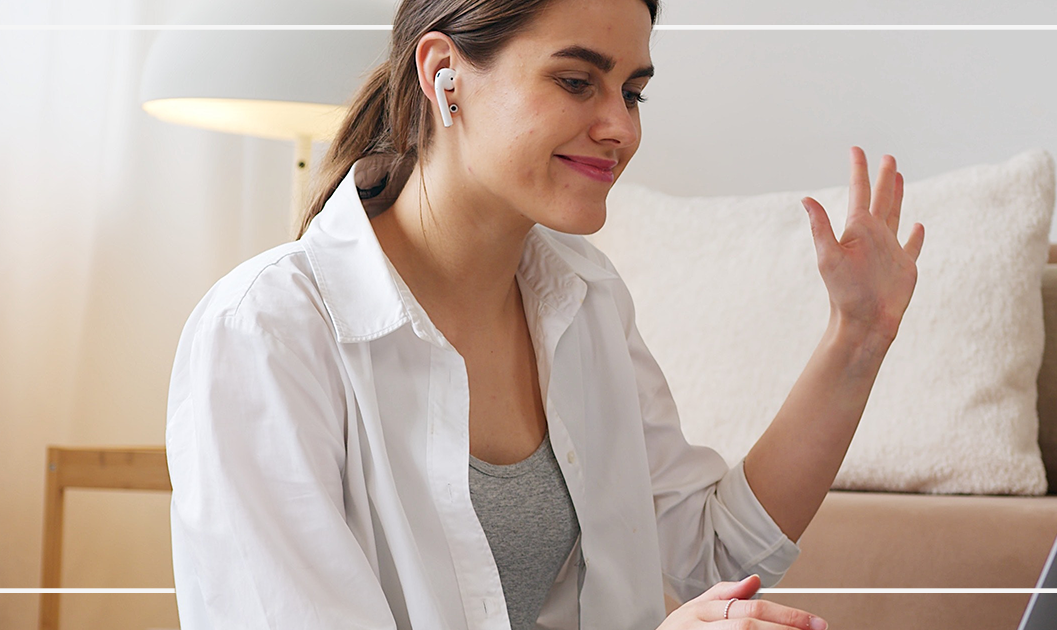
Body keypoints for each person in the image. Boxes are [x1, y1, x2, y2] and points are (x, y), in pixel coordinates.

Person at [164, 0, 925, 628]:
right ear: (444, 74)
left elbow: (714, 553)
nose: (621, 128)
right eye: (576, 82)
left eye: (632, 92)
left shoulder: (586, 298)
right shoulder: (265, 334)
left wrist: (858, 338)